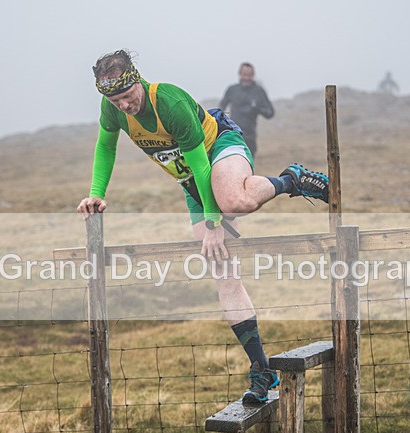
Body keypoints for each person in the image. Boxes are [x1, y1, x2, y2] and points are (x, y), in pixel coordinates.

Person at [76, 49, 330, 402]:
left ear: (137, 79)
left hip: (217, 148)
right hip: (192, 182)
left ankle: (293, 179)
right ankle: (262, 370)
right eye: (115, 100)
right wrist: (96, 194)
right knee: (222, 271)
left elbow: (200, 162)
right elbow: (106, 147)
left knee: (233, 200)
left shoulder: (168, 102)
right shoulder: (113, 107)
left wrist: (214, 222)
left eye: (127, 96)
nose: (124, 106)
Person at [218, 63, 275, 158]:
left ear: (253, 75)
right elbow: (221, 108)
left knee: (248, 169)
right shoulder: (232, 90)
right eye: (244, 75)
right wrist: (223, 120)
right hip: (233, 135)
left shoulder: (259, 91)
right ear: (239, 74)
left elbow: (270, 113)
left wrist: (257, 108)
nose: (246, 78)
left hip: (250, 138)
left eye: (249, 75)